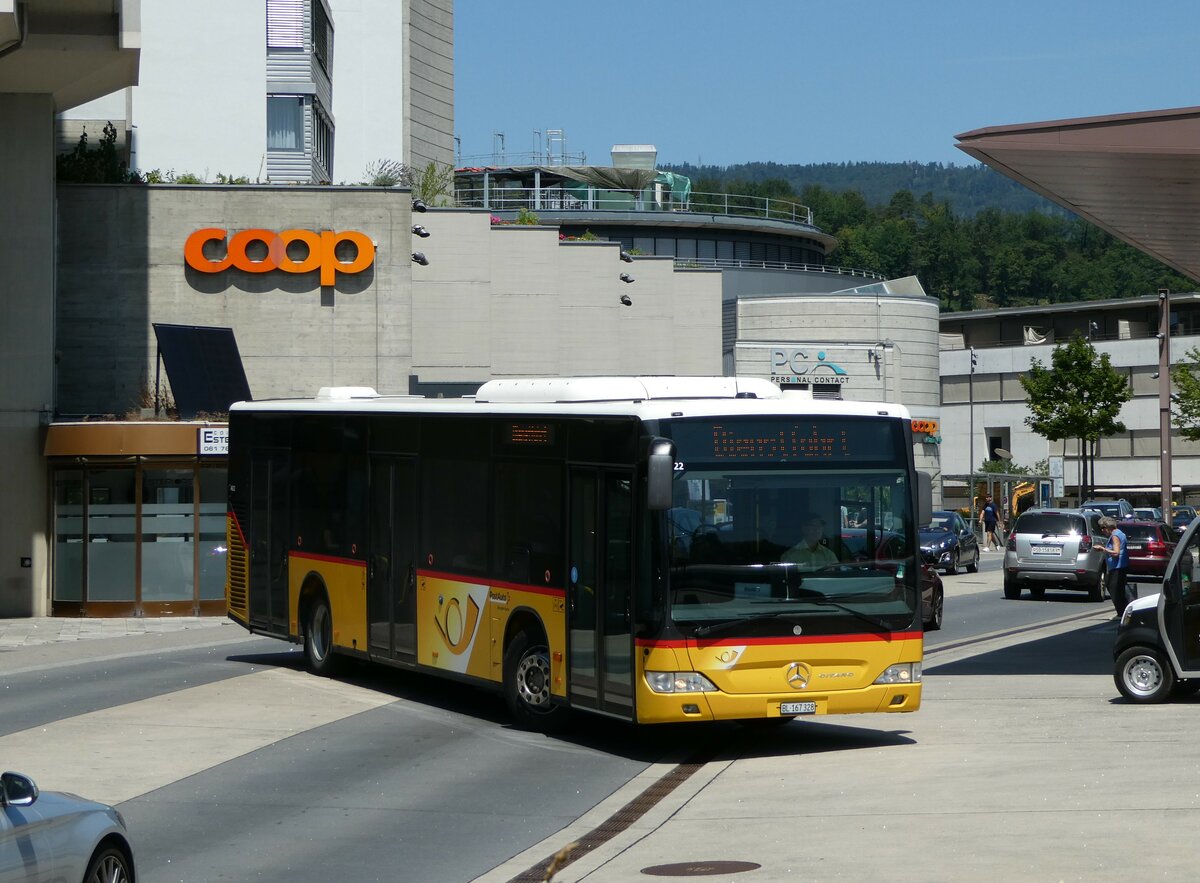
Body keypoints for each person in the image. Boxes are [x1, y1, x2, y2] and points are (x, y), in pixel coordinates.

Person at [1094, 516, 1130, 616]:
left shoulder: (1115, 535)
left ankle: (1122, 613)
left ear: (1108, 527)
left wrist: (1102, 549)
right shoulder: (1119, 533)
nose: (1102, 531)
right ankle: (1123, 612)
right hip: (1119, 566)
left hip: (1117, 567)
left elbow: (1116, 552)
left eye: (1103, 528)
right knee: (1116, 588)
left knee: (1115, 590)